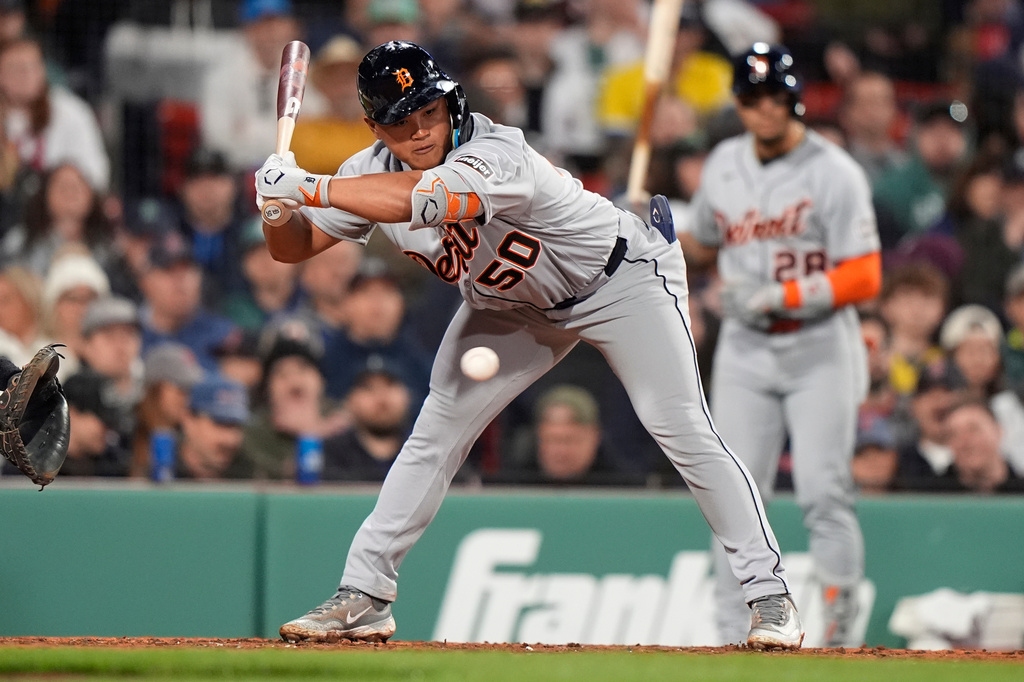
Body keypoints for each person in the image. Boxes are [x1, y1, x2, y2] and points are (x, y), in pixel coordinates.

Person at [256, 40, 803, 649]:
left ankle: (770, 595)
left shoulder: (498, 150)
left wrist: (310, 187)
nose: (418, 130)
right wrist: (278, 207)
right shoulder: (365, 174)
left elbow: (429, 200)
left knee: (679, 426)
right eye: (399, 121)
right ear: (375, 127)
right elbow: (292, 249)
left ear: (450, 103)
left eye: (428, 112)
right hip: (511, 308)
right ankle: (364, 595)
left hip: (619, 281)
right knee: (436, 429)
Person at [679, 43, 880, 648]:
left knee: (824, 490)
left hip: (819, 344)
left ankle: (840, 631)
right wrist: (655, 226)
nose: (765, 110)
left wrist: (786, 295)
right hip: (744, 350)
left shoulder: (833, 170)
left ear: (793, 100)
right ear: (739, 104)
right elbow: (708, 243)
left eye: (775, 99)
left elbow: (867, 273)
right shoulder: (722, 164)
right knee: (736, 495)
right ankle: (732, 632)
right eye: (753, 100)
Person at [321, 354, 414, 482]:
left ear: (407, 396)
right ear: (349, 400)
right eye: (368, 388)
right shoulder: (330, 455)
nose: (381, 397)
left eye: (390, 385)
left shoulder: (425, 450)